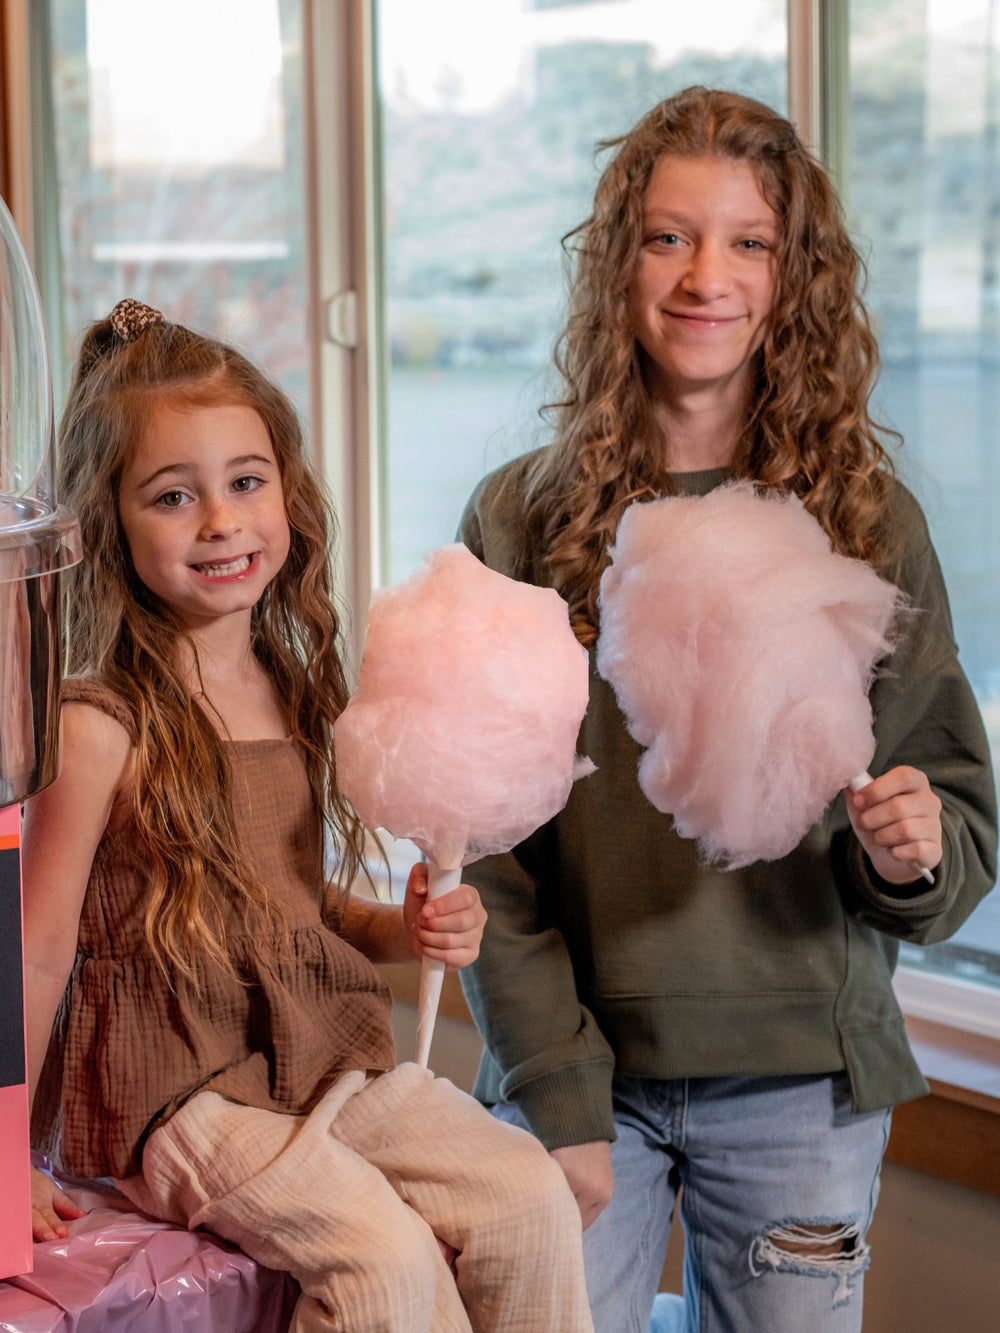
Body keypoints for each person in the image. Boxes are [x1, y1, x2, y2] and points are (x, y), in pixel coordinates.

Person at [456, 87, 998, 1333]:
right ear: (616, 265)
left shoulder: (866, 522)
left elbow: (955, 838)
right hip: (579, 1079)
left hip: (802, 1087)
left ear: (792, 275)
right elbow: (484, 850)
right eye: (667, 236)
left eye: (748, 241)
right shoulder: (519, 520)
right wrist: (554, 1085)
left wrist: (911, 850)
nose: (707, 276)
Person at [23, 299, 594, 1333]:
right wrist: (2, 1155)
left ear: (287, 492)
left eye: (246, 483)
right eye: (172, 496)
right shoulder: (96, 721)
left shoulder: (293, 686)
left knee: (526, 1197)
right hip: (170, 1087)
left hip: (311, 1050)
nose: (221, 521)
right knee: (381, 1263)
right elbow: (33, 949)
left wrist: (399, 930)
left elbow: (286, 905)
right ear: (109, 518)